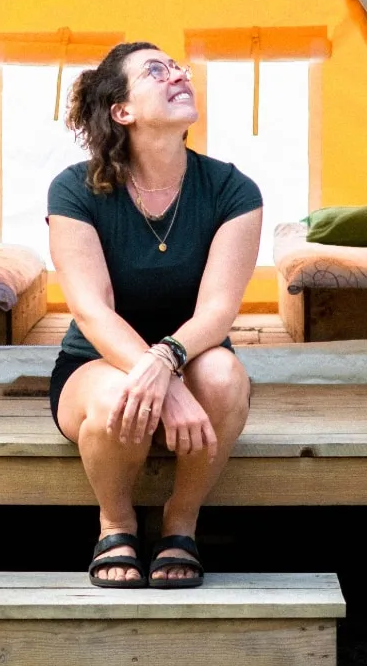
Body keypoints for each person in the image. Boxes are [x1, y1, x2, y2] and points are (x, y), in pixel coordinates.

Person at [48, 41, 263, 589]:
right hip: (95, 360)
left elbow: (219, 310)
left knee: (222, 376)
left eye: (179, 68)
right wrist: (158, 380)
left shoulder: (233, 190)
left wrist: (166, 361)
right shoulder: (74, 189)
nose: (178, 74)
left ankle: (180, 522)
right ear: (122, 111)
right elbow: (91, 311)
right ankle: (115, 521)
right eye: (156, 70)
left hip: (194, 352)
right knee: (120, 395)